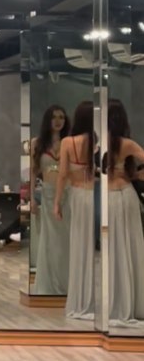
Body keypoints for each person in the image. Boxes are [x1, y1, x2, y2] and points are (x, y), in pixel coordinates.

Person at [55, 100, 96, 319]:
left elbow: (62, 175)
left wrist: (57, 201)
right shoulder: (96, 141)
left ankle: (80, 297)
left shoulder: (68, 142)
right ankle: (91, 296)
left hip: (78, 196)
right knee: (93, 246)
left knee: (79, 244)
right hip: (96, 195)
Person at [104, 99, 144, 325]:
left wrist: (136, 175)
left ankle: (122, 300)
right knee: (125, 246)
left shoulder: (118, 144)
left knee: (120, 246)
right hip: (119, 196)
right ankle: (126, 299)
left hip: (118, 197)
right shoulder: (120, 143)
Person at [30, 105, 70, 295]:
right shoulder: (37, 143)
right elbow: (33, 172)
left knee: (65, 240)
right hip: (46, 194)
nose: (58, 121)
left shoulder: (68, 143)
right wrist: (31, 198)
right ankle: (49, 284)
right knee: (49, 239)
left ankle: (65, 283)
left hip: (67, 194)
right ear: (48, 119)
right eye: (54, 117)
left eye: (61, 117)